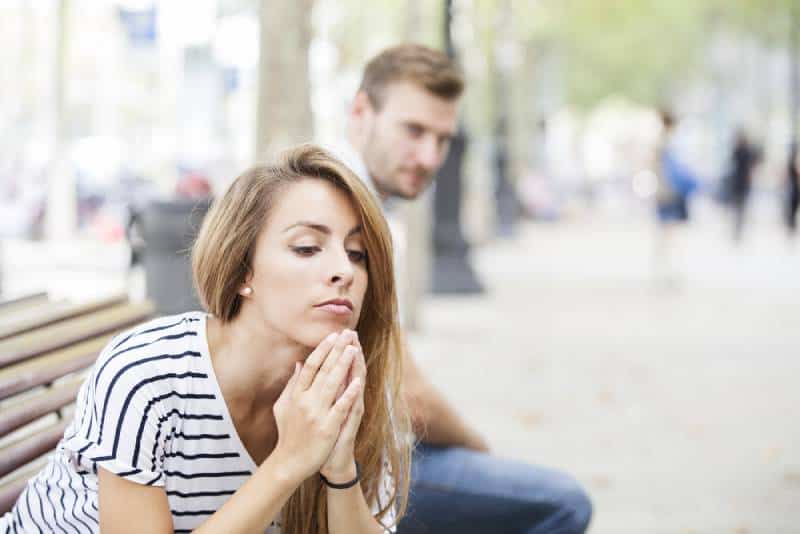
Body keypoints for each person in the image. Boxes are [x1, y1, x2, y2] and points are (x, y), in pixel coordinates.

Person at [1, 145, 411, 533]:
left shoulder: (350, 384)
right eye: (307, 248)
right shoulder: (147, 374)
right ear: (242, 271)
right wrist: (290, 460)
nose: (345, 269)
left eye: (357, 253)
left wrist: (340, 471)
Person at [336, 43, 592, 534]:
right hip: (349, 468)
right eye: (413, 131)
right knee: (562, 503)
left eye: (442, 139)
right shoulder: (348, 212)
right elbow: (411, 400)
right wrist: (479, 448)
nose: (429, 156)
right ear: (361, 111)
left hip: (355, 448)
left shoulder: (336, 187)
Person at [652, 109, 699, 285]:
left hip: (664, 192)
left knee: (666, 232)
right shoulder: (672, 144)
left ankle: (666, 269)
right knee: (672, 232)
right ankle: (670, 270)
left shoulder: (662, 143)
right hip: (672, 192)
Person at [727, 129, 761, 242]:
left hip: (740, 183)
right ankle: (738, 231)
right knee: (740, 209)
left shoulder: (740, 150)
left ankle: (737, 232)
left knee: (739, 209)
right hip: (742, 183)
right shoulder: (744, 150)